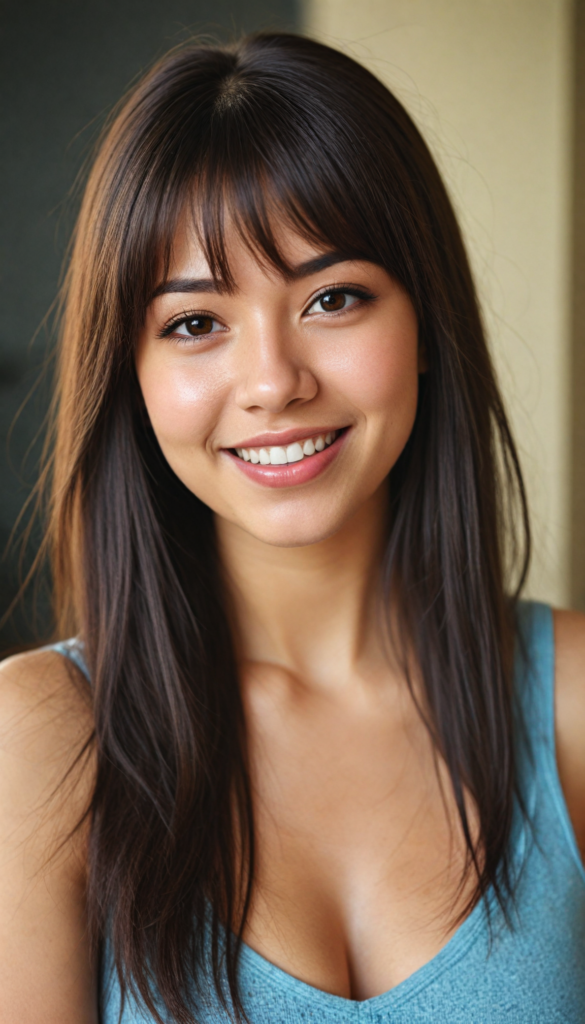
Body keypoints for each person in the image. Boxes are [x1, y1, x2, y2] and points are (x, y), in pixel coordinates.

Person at [0, 31, 583, 1024]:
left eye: (334, 298)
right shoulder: (40, 737)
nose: (275, 381)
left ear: (427, 321)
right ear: (130, 374)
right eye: (195, 322)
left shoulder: (568, 699)